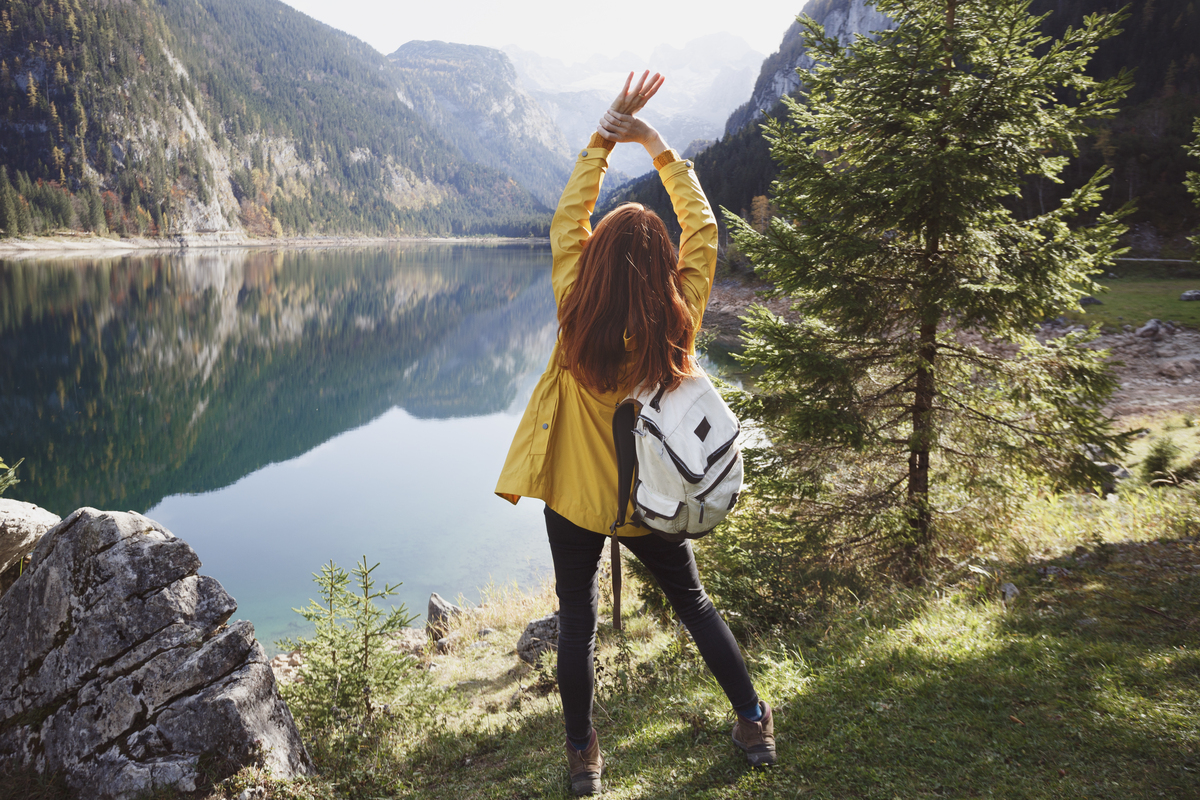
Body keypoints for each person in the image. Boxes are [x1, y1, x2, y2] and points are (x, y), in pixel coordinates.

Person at [495, 71, 775, 796]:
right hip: (655, 501)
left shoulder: (570, 307)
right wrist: (652, 142)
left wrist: (602, 135)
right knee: (694, 603)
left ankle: (583, 754)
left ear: (591, 261)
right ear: (662, 269)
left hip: (577, 501)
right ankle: (752, 720)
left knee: (577, 620)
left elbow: (568, 221)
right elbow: (703, 228)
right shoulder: (679, 312)